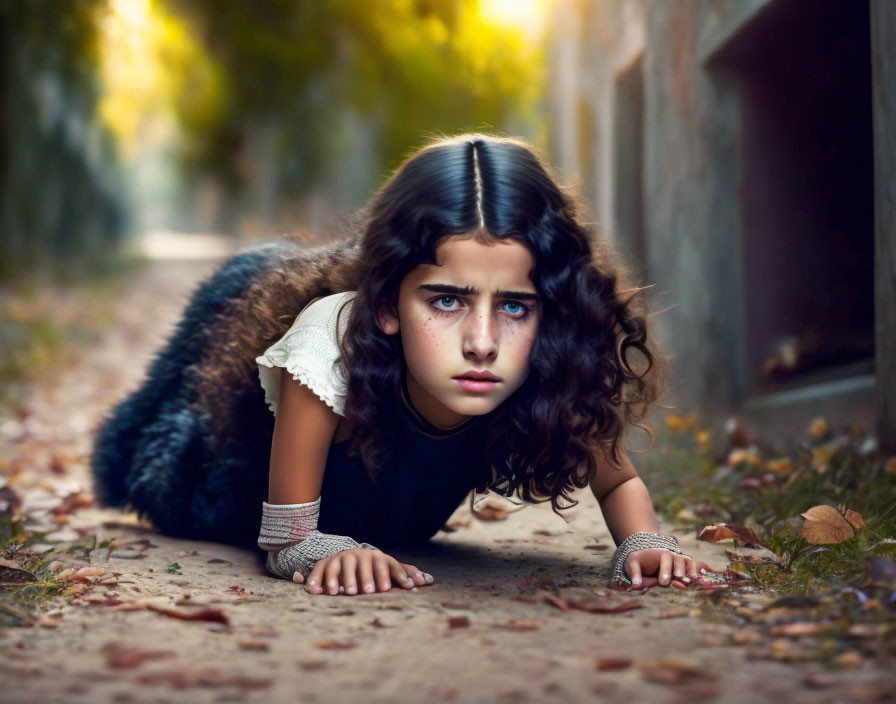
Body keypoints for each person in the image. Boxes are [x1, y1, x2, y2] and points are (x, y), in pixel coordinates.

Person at [90, 132, 698, 598]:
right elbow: (286, 538)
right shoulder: (331, 347)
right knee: (151, 451)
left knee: (274, 271)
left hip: (382, 503)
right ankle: (251, 284)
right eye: (446, 301)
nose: (482, 342)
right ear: (384, 304)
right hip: (218, 476)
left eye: (514, 304)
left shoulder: (541, 356)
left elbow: (617, 479)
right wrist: (320, 550)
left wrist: (644, 545)